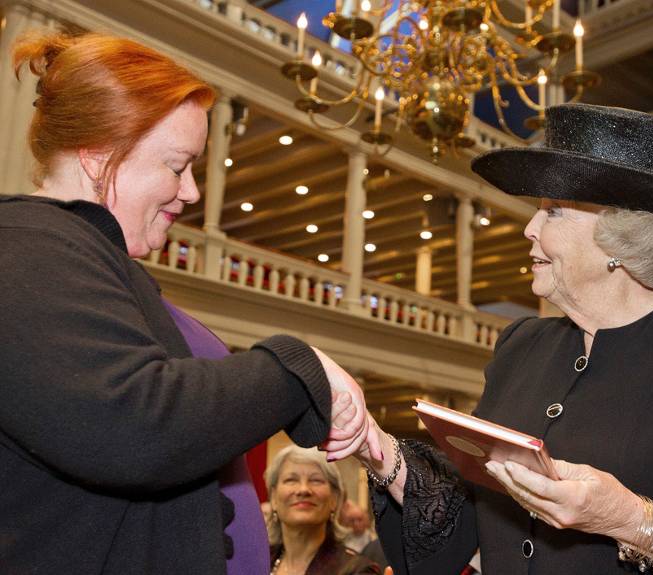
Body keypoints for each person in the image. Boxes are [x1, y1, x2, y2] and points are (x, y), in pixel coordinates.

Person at [327, 104, 653, 573]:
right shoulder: (522, 346)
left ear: (622, 238)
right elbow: (471, 512)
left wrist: (629, 519)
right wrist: (373, 445)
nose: (529, 228)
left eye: (554, 211)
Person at [0, 31, 378, 574]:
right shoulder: (27, 247)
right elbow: (134, 425)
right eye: (177, 166)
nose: (192, 192)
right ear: (98, 155)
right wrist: (298, 369)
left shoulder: (90, 259)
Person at [264, 445, 380, 575]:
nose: (303, 489)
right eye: (291, 480)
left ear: (334, 499)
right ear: (273, 497)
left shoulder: (356, 570)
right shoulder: (256, 562)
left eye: (316, 480)